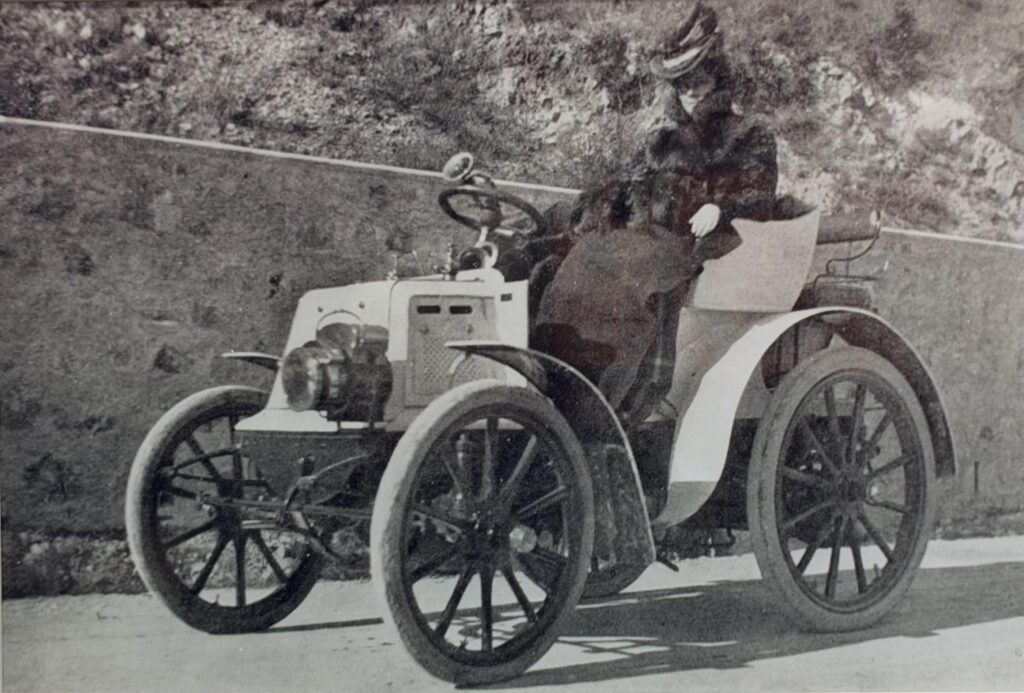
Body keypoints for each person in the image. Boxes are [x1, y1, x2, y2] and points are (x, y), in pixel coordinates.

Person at [532, 2, 778, 423]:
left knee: (635, 270)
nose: (690, 91)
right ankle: (560, 386)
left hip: (706, 241)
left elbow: (760, 195)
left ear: (717, 80)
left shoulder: (750, 133)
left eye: (698, 82)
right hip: (650, 234)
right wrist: (599, 205)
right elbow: (632, 183)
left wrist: (720, 207)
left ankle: (616, 400)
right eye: (682, 85)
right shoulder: (662, 140)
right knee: (582, 257)